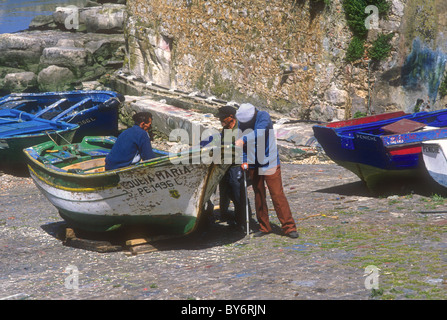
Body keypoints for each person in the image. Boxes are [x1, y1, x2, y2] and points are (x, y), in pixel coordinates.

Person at [235, 103, 299, 238]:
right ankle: (264, 226)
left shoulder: (264, 117)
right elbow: (244, 147)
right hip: (253, 162)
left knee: (277, 194)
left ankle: (289, 227)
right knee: (259, 194)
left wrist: (244, 140)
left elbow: (259, 132)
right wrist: (244, 160)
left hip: (269, 161)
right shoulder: (242, 123)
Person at [215, 105, 254, 232]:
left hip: (237, 166)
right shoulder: (225, 129)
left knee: (238, 194)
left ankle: (243, 220)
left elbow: (249, 147)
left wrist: (246, 162)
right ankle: (228, 216)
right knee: (227, 192)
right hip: (226, 165)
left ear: (231, 117)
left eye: (223, 118)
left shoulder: (241, 129)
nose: (221, 120)